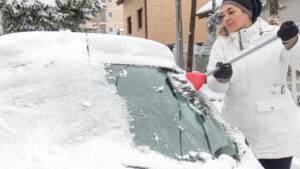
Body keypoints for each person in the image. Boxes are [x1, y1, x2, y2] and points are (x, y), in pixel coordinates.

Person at [206, 0, 300, 169]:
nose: (225, 18)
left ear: (247, 12)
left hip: (275, 136)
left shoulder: (275, 35)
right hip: (238, 135)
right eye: (223, 14)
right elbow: (214, 86)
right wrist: (221, 79)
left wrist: (293, 42)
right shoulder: (222, 43)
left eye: (231, 12)